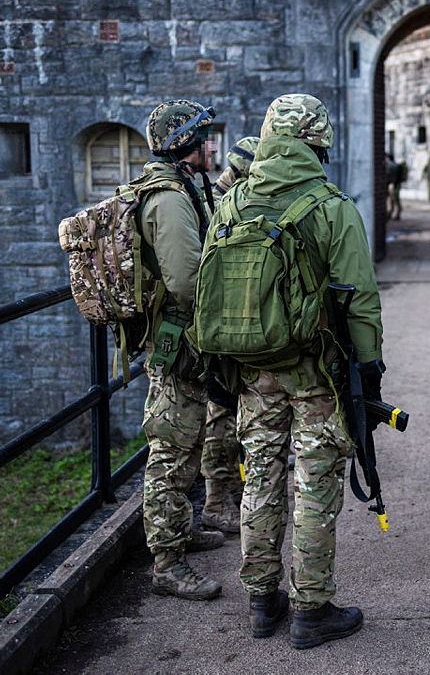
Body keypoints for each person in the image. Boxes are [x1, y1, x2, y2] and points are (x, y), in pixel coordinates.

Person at [223, 94, 385, 645]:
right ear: (319, 142)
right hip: (316, 373)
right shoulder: (331, 205)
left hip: (252, 369)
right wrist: (371, 367)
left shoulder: (235, 200)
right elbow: (359, 298)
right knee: (315, 484)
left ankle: (262, 601)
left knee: (261, 476)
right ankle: (312, 611)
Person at [137, 99, 226, 600]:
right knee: (170, 450)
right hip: (176, 343)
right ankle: (167, 563)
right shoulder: (170, 199)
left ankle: (184, 529)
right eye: (203, 139)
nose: (210, 147)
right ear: (184, 146)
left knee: (188, 441)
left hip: (184, 342)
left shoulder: (184, 187)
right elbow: (187, 281)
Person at [199, 136, 260, 535]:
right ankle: (216, 501)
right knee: (220, 415)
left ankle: (229, 494)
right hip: (221, 329)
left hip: (224, 325)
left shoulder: (217, 200)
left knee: (226, 412)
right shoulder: (222, 206)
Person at [386, 152, 405, 220]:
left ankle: (394, 214)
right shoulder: (395, 165)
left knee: (394, 200)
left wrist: (392, 183)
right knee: (394, 200)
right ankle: (394, 214)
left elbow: (391, 177)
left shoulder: (390, 165)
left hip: (392, 185)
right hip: (395, 185)